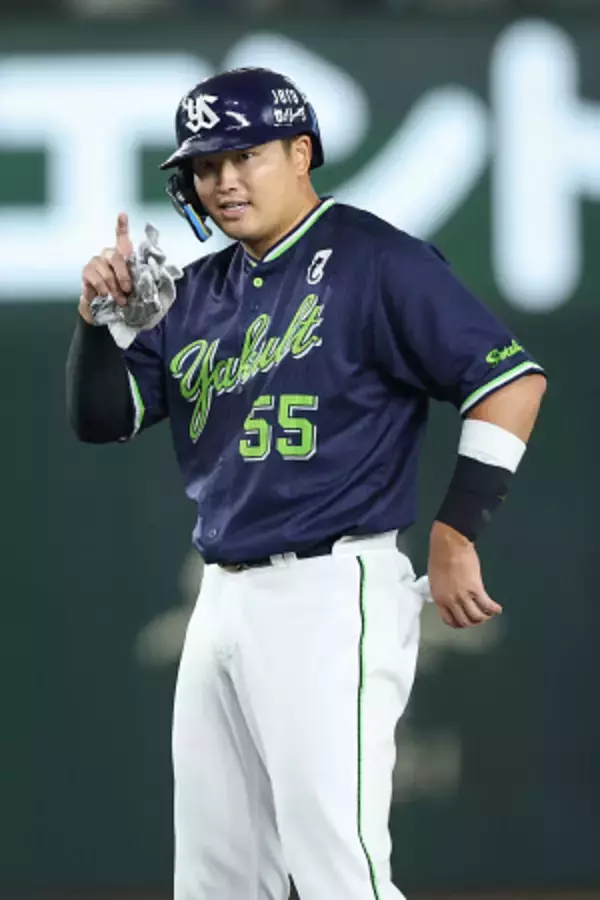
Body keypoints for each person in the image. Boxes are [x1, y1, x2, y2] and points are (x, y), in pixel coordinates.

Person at [66, 67, 547, 900]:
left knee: (337, 874)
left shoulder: (377, 259)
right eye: (205, 165)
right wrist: (96, 323)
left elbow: (510, 382)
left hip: (330, 590)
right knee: (215, 882)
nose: (223, 180)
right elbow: (102, 419)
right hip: (222, 598)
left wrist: (458, 527)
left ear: (300, 152)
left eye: (243, 155)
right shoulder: (195, 291)